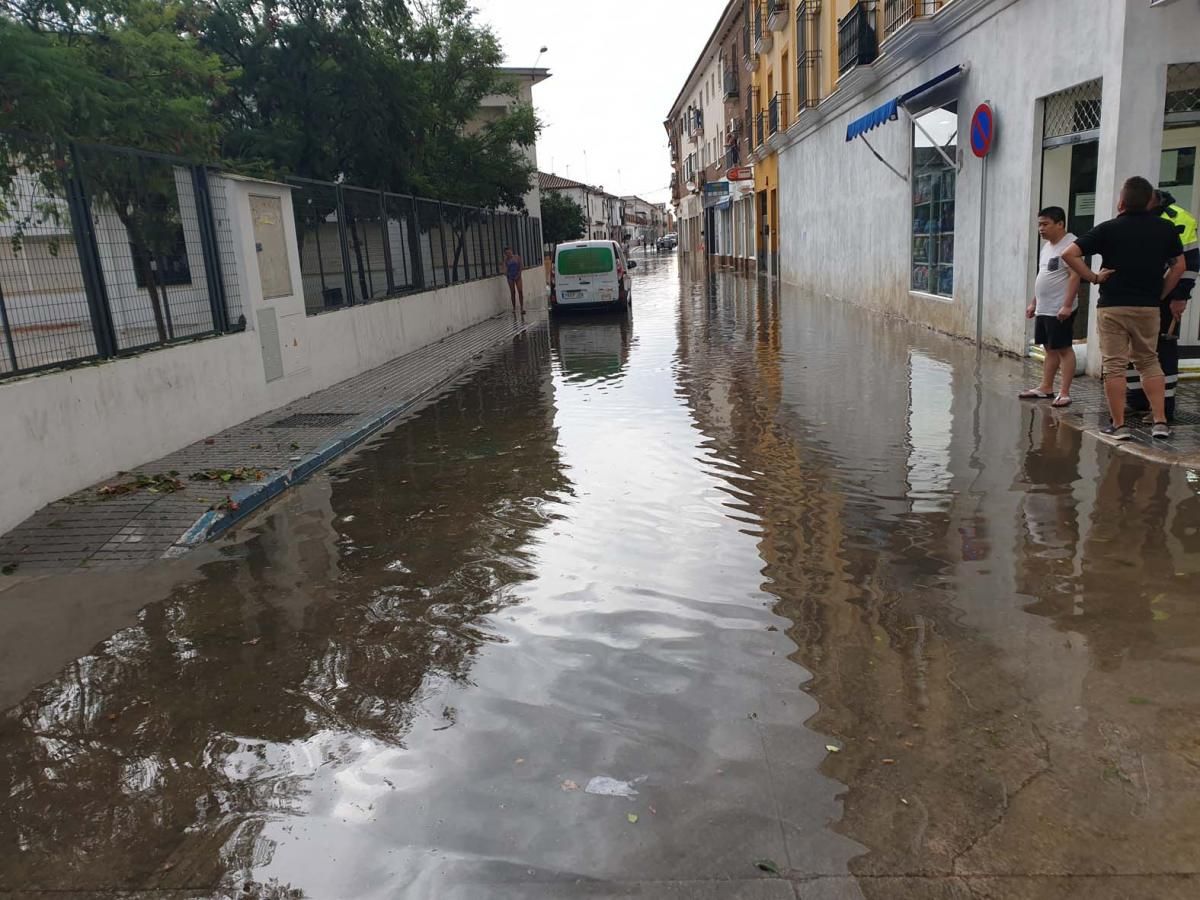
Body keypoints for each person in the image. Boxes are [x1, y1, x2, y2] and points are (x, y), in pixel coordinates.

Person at [1062, 176, 1185, 441]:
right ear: (1150, 202)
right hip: (1148, 307)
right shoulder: (1165, 229)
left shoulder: (1108, 229)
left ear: (1121, 202)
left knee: (1115, 366)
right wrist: (1161, 293)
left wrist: (1094, 277)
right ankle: (1160, 422)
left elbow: (1069, 254)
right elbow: (1179, 266)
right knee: (1149, 361)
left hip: (1113, 306)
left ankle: (1119, 426)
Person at [1125, 189, 1198, 421]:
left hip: (1167, 296)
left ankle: (1163, 408)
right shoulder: (1135, 218)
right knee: (1133, 347)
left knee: (1162, 349)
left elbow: (1190, 262)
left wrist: (1180, 297)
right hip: (1137, 296)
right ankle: (1136, 400)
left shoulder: (1178, 219)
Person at [1021, 206, 1080, 407]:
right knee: (1049, 348)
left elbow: (1075, 276)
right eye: (1039, 224)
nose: (1041, 229)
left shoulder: (1071, 245)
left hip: (1059, 308)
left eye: (1045, 224)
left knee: (1064, 349)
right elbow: (1044, 276)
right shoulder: (1047, 247)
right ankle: (1046, 387)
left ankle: (1064, 392)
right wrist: (1033, 302)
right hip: (1044, 307)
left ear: (1060, 224)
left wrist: (1067, 305)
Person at [504, 246, 524, 314]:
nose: (508, 254)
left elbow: (521, 266)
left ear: (511, 251)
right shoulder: (506, 260)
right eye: (506, 253)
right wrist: (506, 273)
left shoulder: (517, 257)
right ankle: (514, 308)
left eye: (509, 252)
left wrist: (519, 274)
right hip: (510, 277)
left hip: (517, 275)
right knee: (512, 292)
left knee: (520, 291)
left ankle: (522, 307)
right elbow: (505, 269)